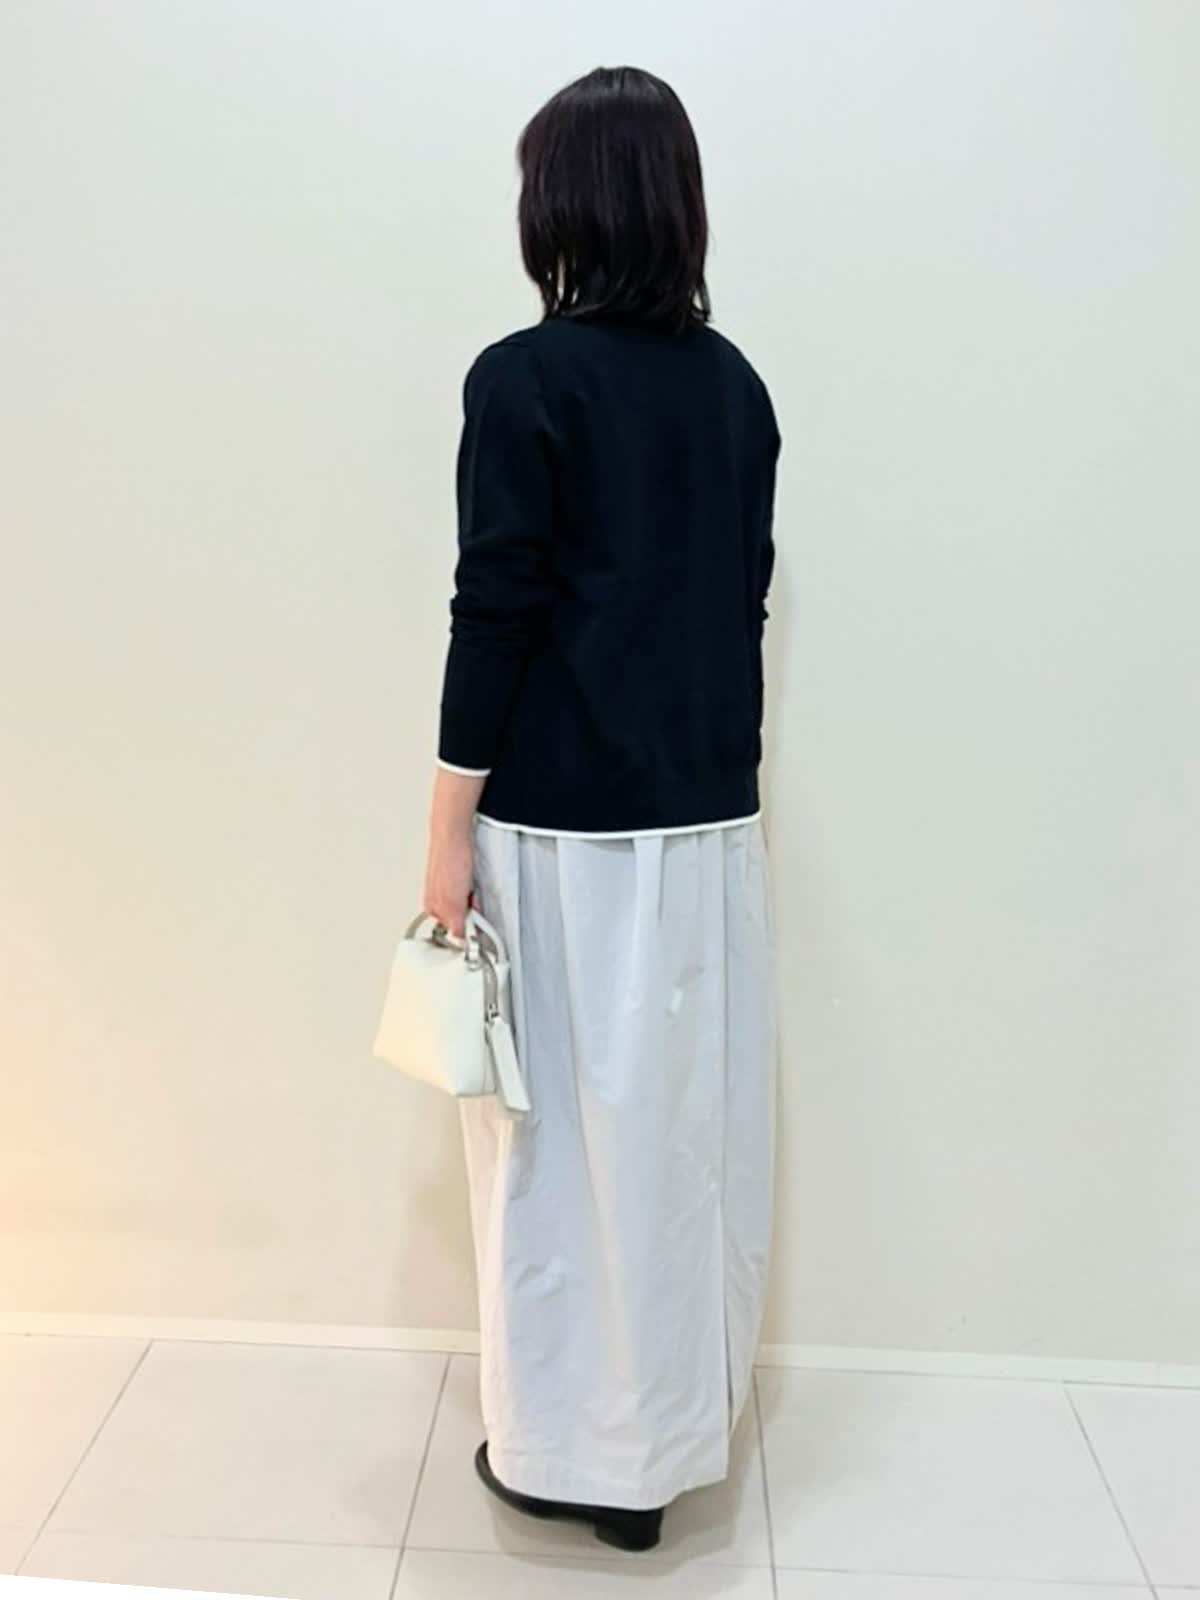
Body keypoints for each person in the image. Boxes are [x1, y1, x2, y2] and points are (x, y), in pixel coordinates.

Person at [422, 63, 780, 1553]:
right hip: (706, 837)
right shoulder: (737, 387)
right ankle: (660, 1460)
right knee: (683, 1149)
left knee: (547, 1157)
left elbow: (493, 612)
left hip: (560, 838)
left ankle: (565, 1452)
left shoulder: (523, 379)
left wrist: (444, 835)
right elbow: (738, 608)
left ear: (560, 204)